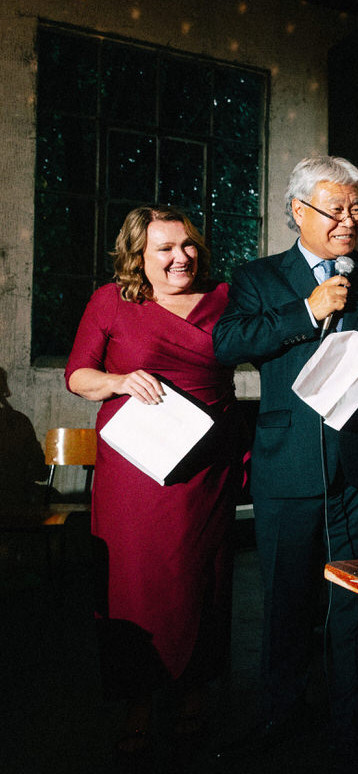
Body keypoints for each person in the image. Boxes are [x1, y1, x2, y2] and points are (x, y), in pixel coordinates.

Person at [212, 156, 358, 773]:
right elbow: (228, 343)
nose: (349, 221)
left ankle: (354, 727)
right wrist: (306, 311)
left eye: (357, 209)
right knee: (285, 604)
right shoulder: (257, 277)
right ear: (299, 211)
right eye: (336, 209)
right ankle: (279, 716)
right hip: (286, 468)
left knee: (354, 606)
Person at [65, 206, 243, 760]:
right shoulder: (110, 301)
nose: (180, 257)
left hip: (206, 469)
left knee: (202, 580)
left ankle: (194, 692)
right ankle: (137, 702)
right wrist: (119, 380)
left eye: (187, 245)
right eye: (164, 248)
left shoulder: (226, 299)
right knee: (133, 583)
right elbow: (77, 375)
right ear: (138, 256)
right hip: (135, 473)